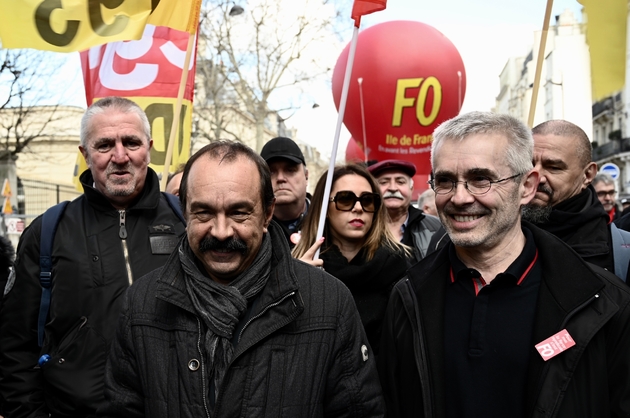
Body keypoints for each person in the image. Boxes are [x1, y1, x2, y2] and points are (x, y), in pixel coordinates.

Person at [99, 141, 384, 417]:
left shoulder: (329, 303)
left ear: (267, 213)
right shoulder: (143, 303)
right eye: (204, 213)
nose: (221, 231)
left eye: (238, 213)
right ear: (184, 212)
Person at [378, 111, 630, 418]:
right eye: (445, 180)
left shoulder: (601, 301)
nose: (459, 197)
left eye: (480, 179)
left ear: (526, 187)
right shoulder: (409, 297)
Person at [0, 97, 187, 417]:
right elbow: (14, 346)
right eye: (104, 145)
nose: (120, 156)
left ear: (149, 148)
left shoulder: (188, 224)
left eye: (131, 142)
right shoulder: (47, 232)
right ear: (85, 154)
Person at [293, 163, 409, 355]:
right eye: (345, 199)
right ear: (325, 209)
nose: (358, 208)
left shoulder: (400, 269)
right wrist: (295, 288)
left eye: (367, 200)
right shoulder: (297, 269)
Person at [522, 119, 626, 277]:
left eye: (553, 167)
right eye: (529, 165)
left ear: (587, 175)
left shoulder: (619, 251)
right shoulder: (500, 235)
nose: (536, 176)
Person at [367, 160, 441, 263]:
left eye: (400, 182)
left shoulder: (436, 227)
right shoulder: (362, 228)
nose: (393, 188)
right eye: (384, 182)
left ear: (411, 189)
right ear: (373, 190)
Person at [260, 136, 310, 246]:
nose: (280, 178)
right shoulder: (253, 228)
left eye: (290, 170)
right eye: (271, 172)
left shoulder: (327, 220)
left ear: (306, 176)